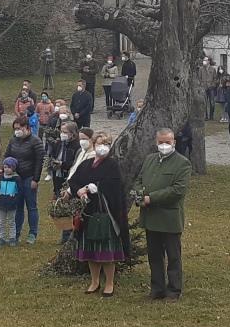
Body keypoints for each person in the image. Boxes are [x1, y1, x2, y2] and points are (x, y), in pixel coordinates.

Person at [134, 128, 192, 301]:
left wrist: (151, 198)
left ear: (174, 142)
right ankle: (157, 288)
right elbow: (139, 180)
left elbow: (177, 190)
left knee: (173, 256)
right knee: (154, 255)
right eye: (161, 142)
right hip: (151, 217)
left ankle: (174, 289)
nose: (164, 145)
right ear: (156, 142)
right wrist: (139, 195)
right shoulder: (150, 159)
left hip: (169, 218)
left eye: (168, 142)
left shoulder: (182, 163)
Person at [69, 132, 128, 296]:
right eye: (100, 143)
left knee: (106, 251)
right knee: (90, 251)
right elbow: (73, 181)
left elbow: (115, 186)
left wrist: (96, 187)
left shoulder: (112, 165)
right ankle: (94, 281)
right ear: (94, 144)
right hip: (87, 212)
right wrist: (79, 190)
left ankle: (109, 283)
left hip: (105, 213)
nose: (103, 147)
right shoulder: (86, 164)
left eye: (107, 144)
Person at [4, 115, 45, 244]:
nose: (17, 131)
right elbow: (7, 155)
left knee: (31, 206)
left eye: (19, 128)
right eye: (15, 128)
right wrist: (3, 169)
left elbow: (39, 161)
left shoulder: (35, 141)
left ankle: (32, 233)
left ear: (26, 127)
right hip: (15, 178)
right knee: (17, 206)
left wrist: (36, 179)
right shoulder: (13, 140)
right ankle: (16, 233)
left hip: (29, 177)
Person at [0, 157, 22, 247]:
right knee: (1, 222)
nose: (6, 169)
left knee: (11, 221)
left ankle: (12, 238)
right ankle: (2, 238)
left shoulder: (17, 178)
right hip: (1, 203)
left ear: (13, 168)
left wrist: (15, 200)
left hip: (12, 204)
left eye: (9, 167)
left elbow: (20, 192)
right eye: (5, 167)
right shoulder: (1, 177)